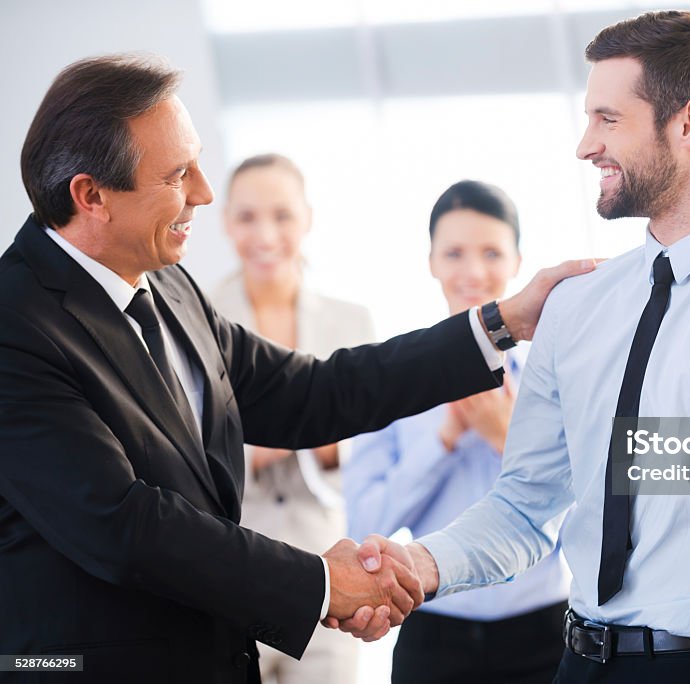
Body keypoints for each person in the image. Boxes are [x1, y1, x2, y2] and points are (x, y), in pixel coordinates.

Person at [0, 53, 593, 683]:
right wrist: (320, 583)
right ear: (91, 195)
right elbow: (124, 523)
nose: (203, 192)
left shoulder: (169, 287)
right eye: (178, 175)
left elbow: (314, 390)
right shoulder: (15, 327)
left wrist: (500, 323)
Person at [356, 10, 690, 684]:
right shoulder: (578, 306)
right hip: (576, 663)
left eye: (608, 119)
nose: (586, 145)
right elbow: (526, 506)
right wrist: (422, 564)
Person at [345, 180, 570, 684]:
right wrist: (442, 440)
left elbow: (594, 513)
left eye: (491, 252)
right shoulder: (393, 379)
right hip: (434, 632)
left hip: (546, 632)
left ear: (517, 261)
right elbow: (366, 519)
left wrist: (504, 433)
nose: (472, 272)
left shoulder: (556, 375)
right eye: (454, 253)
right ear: (431, 262)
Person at [213, 153, 373, 684]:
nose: (265, 234)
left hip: (330, 567)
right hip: (233, 570)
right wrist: (262, 445)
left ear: (307, 218)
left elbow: (374, 440)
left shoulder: (352, 319)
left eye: (281, 215)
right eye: (247, 217)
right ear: (225, 222)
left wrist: (300, 439)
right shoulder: (196, 317)